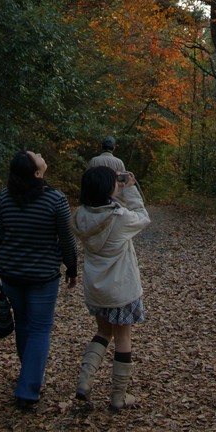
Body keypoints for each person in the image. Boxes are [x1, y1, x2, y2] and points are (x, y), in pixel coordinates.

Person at [0, 149, 77, 410]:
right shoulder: (55, 200)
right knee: (39, 328)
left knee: (25, 324)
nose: (39, 153)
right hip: (42, 277)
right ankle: (28, 388)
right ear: (37, 171)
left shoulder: (5, 197)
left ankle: (29, 374)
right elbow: (66, 238)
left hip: (11, 274)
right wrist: (71, 268)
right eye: (35, 155)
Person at [72, 165, 150, 412]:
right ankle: (119, 395)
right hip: (121, 288)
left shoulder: (79, 216)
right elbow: (142, 216)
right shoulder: (120, 217)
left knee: (103, 332)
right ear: (109, 188)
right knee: (123, 337)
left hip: (96, 288)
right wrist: (130, 190)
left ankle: (85, 380)